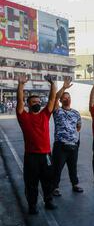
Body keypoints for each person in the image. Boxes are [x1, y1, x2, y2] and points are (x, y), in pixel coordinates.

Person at [16, 74, 58, 214]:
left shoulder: (45, 114)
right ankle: (32, 205)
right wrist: (21, 85)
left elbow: (52, 99)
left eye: (38, 101)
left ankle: (48, 200)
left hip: (46, 155)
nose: (37, 103)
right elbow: (19, 101)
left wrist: (53, 84)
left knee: (48, 180)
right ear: (28, 104)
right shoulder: (23, 116)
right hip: (31, 157)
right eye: (34, 102)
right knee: (31, 183)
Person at [52, 77, 83, 197]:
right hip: (60, 144)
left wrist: (73, 137)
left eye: (68, 97)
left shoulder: (76, 113)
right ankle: (55, 187)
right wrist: (64, 87)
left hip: (73, 145)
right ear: (60, 100)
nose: (67, 98)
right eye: (64, 97)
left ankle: (75, 184)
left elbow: (78, 126)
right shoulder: (57, 111)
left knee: (73, 167)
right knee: (57, 168)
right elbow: (54, 98)